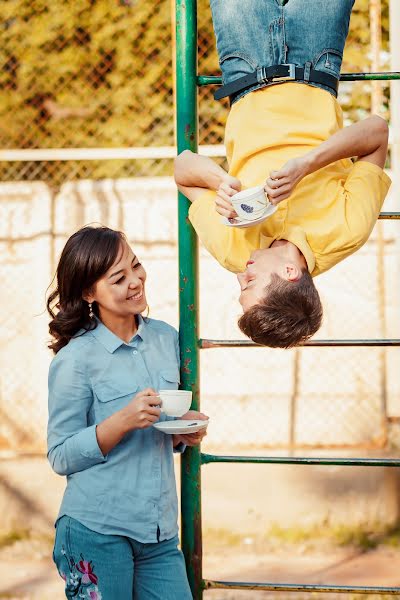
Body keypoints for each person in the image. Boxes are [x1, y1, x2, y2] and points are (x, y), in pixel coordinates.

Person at [174, 0, 391, 348]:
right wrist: (306, 165)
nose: (240, 275)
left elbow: (182, 169)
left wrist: (220, 183)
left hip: (244, 70)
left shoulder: (232, 250)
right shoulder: (347, 232)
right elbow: (377, 132)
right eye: (249, 283)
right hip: (316, 63)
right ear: (290, 274)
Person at [47, 225, 206, 599]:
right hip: (95, 532)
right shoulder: (75, 359)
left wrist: (181, 433)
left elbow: (161, 429)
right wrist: (121, 422)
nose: (136, 281)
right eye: (119, 278)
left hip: (159, 534)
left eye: (136, 266)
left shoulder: (167, 338)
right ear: (89, 292)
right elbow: (59, 454)